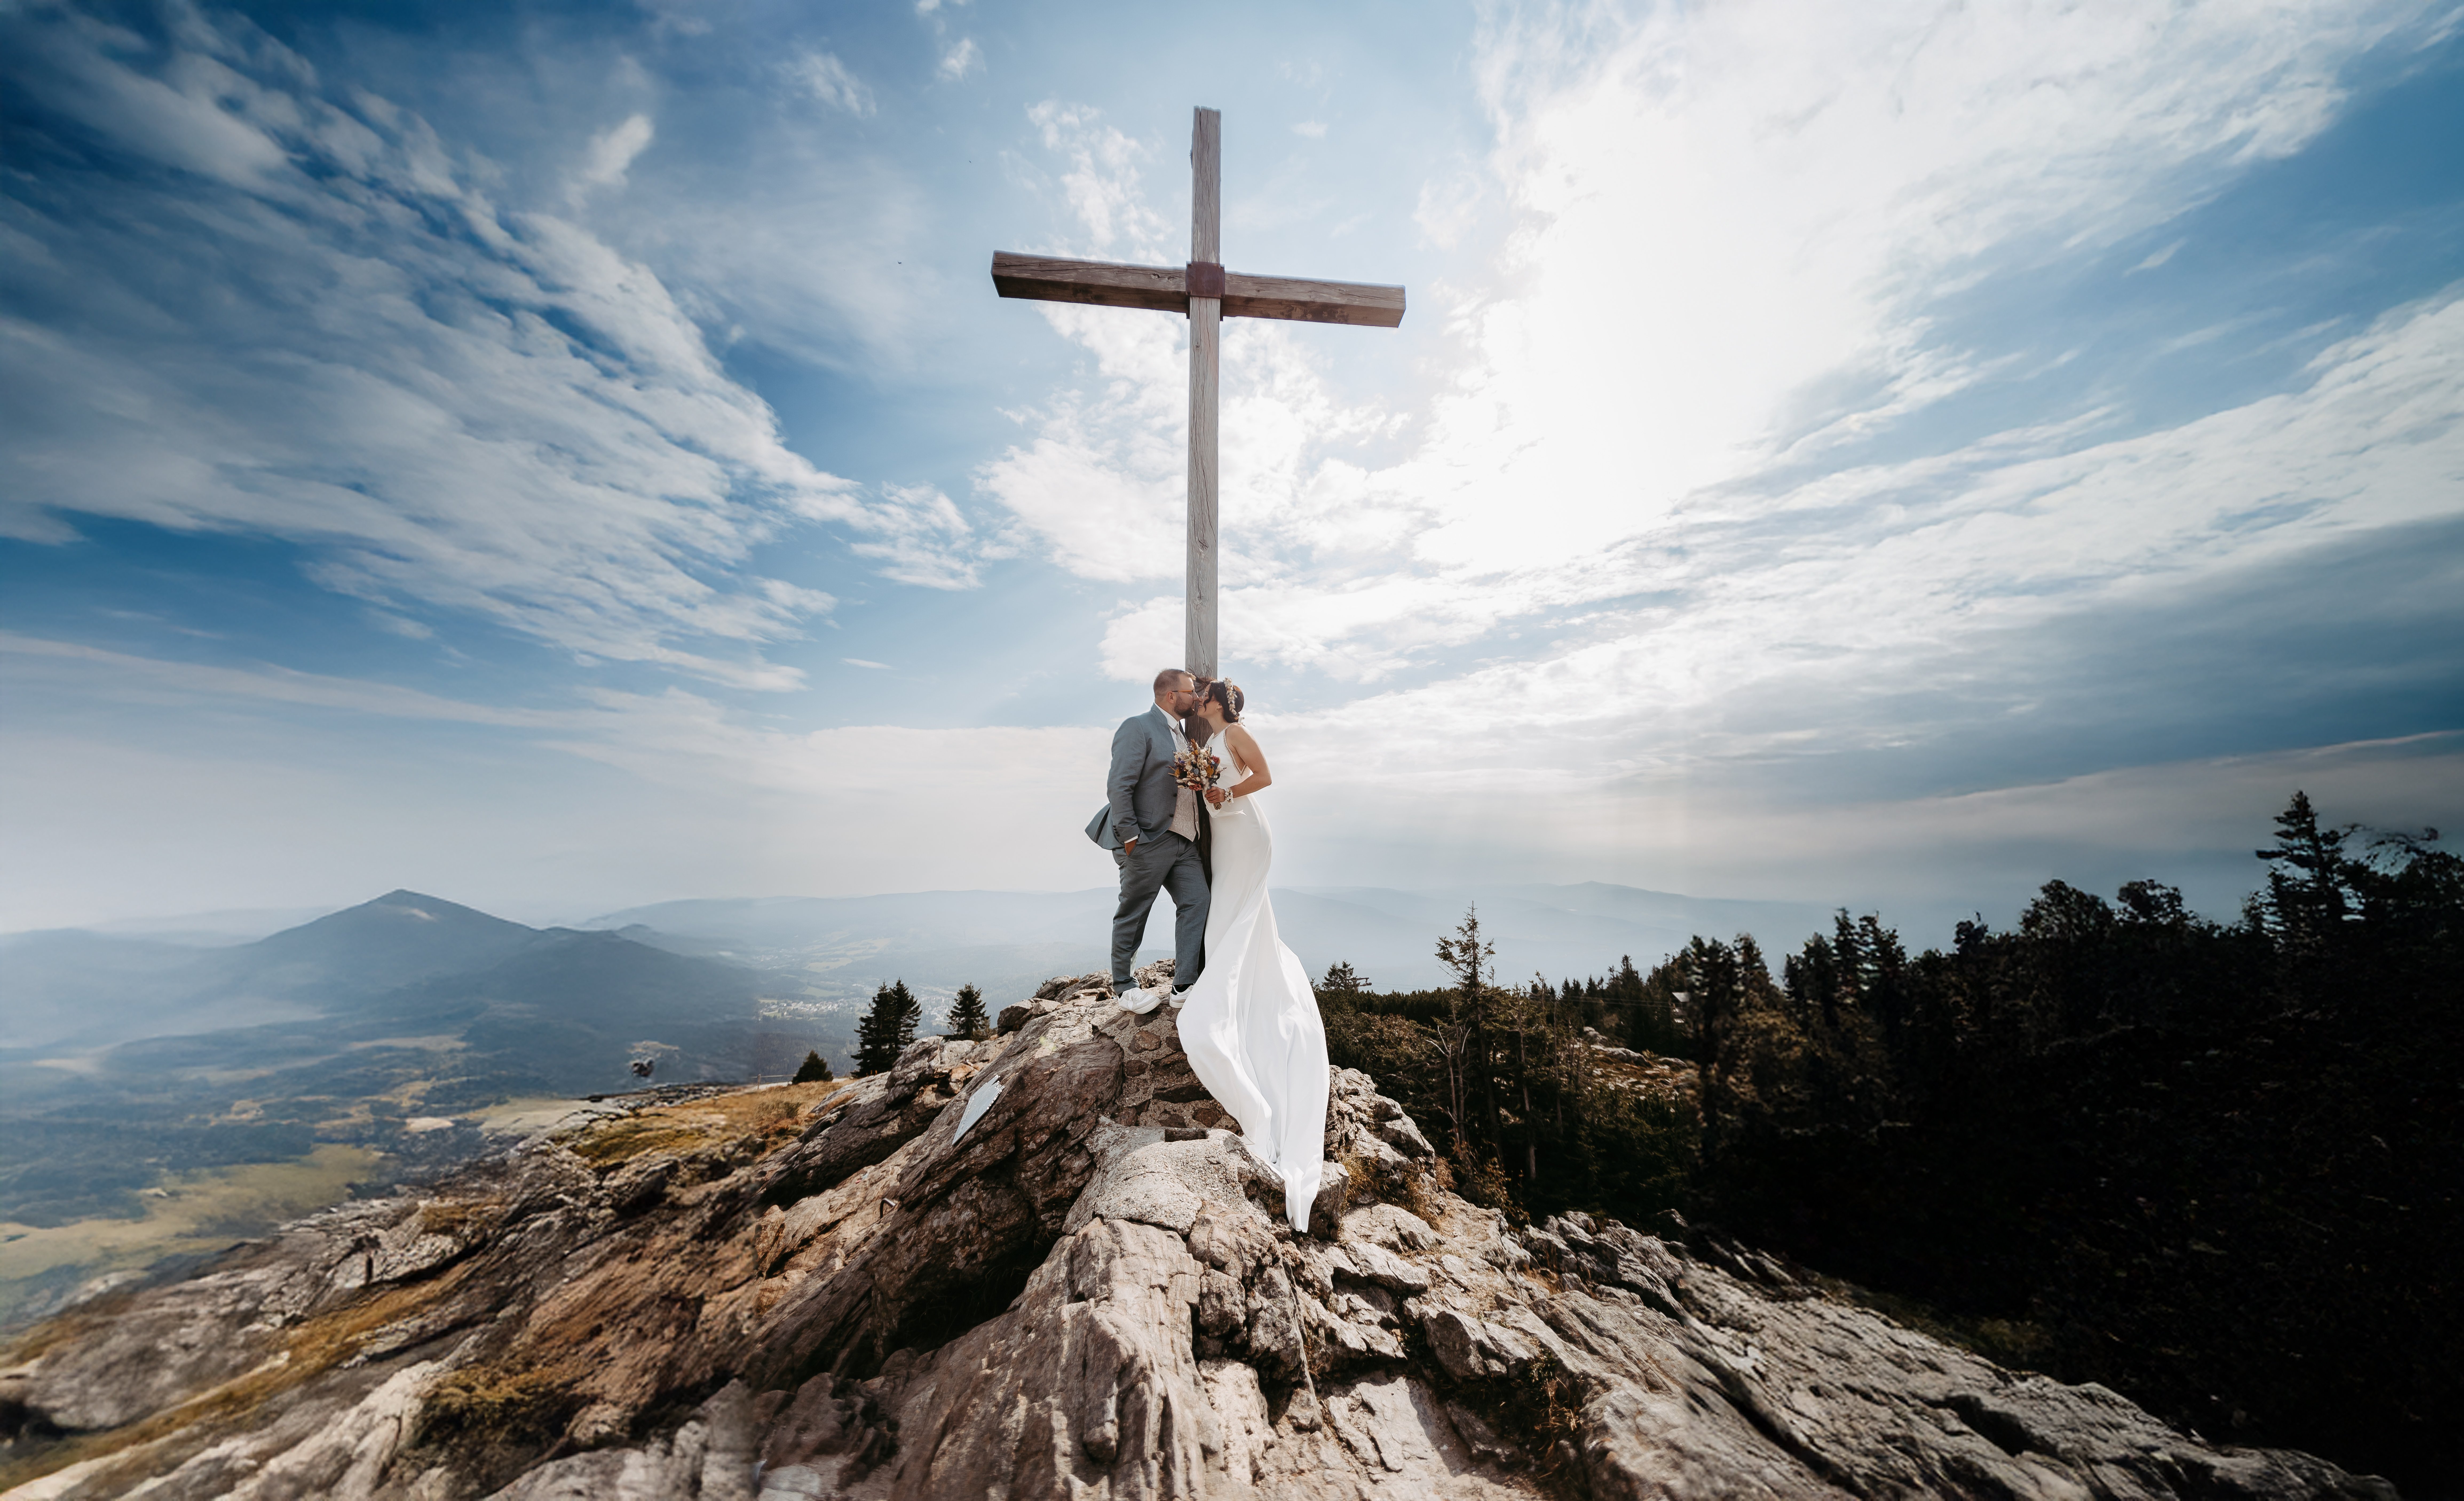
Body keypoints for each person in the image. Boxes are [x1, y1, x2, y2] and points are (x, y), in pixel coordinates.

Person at [1173, 677, 1329, 1232]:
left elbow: (1264, 776)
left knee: (1231, 920)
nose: (1200, 702)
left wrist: (1224, 793)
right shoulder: (1210, 737)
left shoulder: (1236, 732)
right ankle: (1239, 988)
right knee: (1233, 921)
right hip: (1226, 833)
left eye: (1204, 696)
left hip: (1245, 832)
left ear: (1216, 702)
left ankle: (1233, 998)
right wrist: (1198, 784)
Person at [1085, 668, 1209, 1003]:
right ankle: (1124, 987)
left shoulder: (1185, 735)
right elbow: (1119, 785)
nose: (1195, 698)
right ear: (1171, 696)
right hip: (1147, 840)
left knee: (1197, 901)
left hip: (1184, 840)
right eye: (1190, 692)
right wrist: (1130, 837)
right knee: (1135, 911)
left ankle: (1183, 986)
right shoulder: (1137, 727)